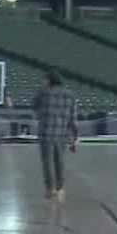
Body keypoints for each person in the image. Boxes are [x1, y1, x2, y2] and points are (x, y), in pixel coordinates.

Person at [33, 70, 78, 201]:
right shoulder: (70, 95)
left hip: (46, 132)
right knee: (60, 161)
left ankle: (50, 189)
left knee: (47, 162)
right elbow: (72, 117)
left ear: (49, 80)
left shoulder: (43, 92)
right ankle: (60, 188)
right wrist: (74, 137)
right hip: (62, 133)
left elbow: (34, 107)